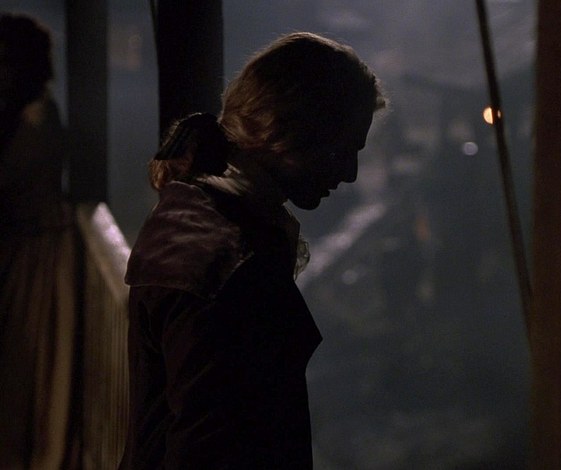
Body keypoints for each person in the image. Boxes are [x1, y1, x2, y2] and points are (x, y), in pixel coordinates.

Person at [119, 32, 386, 469]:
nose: (351, 173)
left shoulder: (194, 213)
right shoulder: (231, 264)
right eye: (344, 149)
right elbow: (209, 449)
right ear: (294, 130)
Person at [0, 13, 75, 470]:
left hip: (32, 259)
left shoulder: (37, 118)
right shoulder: (21, 113)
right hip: (21, 252)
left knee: (21, 373)